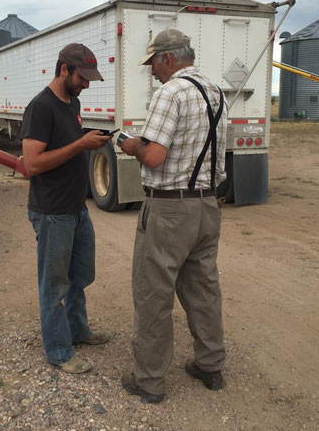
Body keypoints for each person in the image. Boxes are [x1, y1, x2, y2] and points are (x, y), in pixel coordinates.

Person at [119, 29, 227, 403]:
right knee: (203, 288)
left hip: (169, 208)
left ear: (167, 58)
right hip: (207, 205)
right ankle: (210, 365)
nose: (152, 72)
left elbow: (153, 156)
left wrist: (128, 143)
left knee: (154, 291)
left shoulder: (170, 92)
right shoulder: (215, 91)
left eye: (152, 64)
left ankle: (149, 381)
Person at [21, 43, 112, 374]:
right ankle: (58, 350)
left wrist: (89, 137)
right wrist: (80, 144)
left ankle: (77, 331)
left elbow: (65, 143)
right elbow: (32, 164)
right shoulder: (40, 108)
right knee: (54, 283)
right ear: (64, 70)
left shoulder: (71, 102)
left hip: (76, 208)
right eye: (82, 78)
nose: (86, 85)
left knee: (80, 275)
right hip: (52, 212)